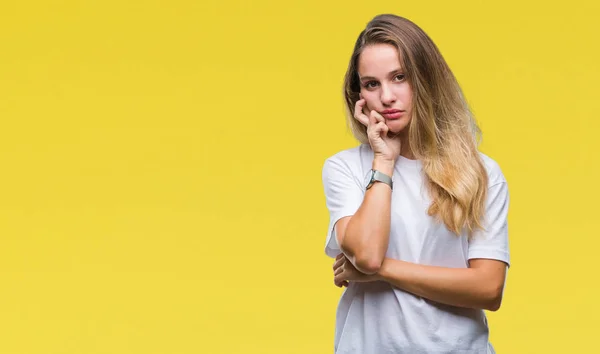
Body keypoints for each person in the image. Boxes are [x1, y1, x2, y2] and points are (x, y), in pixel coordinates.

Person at [321, 14, 510, 354]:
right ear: (358, 95)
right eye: (371, 84)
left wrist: (382, 272)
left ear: (425, 79)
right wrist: (384, 161)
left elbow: (488, 288)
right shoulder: (345, 168)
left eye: (400, 77)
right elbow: (366, 254)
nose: (387, 97)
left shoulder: (481, 172)